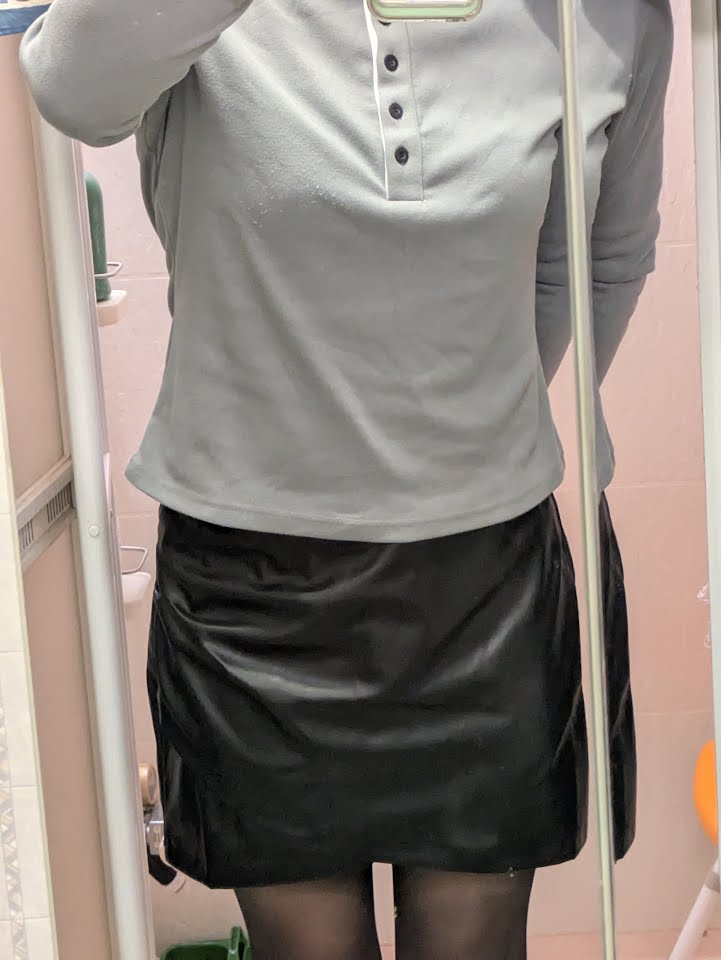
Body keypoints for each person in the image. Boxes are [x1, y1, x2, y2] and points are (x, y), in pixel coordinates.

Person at [21, 2, 672, 957]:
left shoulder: (603, 18)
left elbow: (597, 260)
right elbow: (69, 86)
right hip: (250, 590)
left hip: (482, 585)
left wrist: (457, 430)